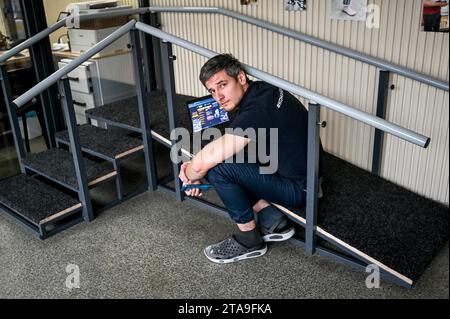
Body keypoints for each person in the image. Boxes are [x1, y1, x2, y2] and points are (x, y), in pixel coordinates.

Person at [179, 54, 324, 264]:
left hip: (301, 189)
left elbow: (203, 163)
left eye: (223, 85)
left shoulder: (256, 112)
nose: (218, 96)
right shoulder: (263, 91)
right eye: (212, 91)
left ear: (241, 77)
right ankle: (272, 218)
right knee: (223, 154)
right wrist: (198, 167)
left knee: (216, 168)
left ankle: (249, 240)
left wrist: (188, 174)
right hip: (301, 171)